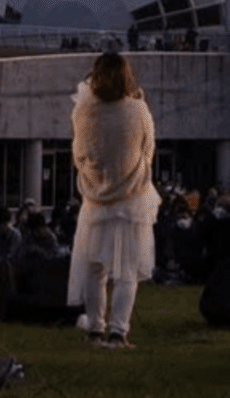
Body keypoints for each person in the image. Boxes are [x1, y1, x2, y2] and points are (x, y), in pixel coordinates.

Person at [67, 52, 161, 349]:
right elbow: (148, 150)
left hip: (95, 201)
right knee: (127, 271)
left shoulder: (83, 111)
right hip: (131, 202)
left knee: (95, 269)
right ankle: (119, 332)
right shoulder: (138, 110)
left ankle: (95, 329)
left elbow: (79, 154)